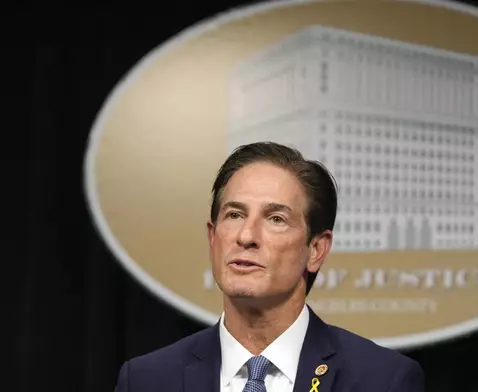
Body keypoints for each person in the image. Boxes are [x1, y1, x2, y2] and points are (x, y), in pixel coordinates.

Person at [114, 141, 425, 392]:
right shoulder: (146, 380)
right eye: (234, 215)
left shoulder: (382, 380)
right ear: (213, 237)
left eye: (276, 219)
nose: (247, 236)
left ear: (316, 249)